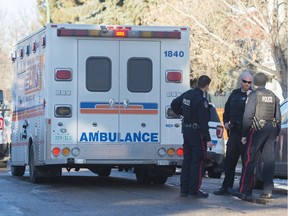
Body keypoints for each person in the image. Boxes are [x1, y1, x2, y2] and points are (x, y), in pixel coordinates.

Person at [237, 72, 281, 201]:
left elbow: (247, 116)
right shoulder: (273, 96)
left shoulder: (254, 95)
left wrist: (244, 134)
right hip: (271, 129)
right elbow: (278, 117)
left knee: (250, 160)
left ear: (255, 83)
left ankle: (246, 191)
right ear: (265, 82)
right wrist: (277, 133)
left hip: (257, 130)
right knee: (268, 161)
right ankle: (267, 191)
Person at [171, 75, 213, 198]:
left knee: (187, 160)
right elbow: (204, 123)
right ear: (206, 86)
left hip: (187, 131)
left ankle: (184, 189)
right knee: (198, 161)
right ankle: (194, 189)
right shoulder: (201, 100)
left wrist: (182, 113)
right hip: (197, 134)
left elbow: (174, 104)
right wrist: (208, 139)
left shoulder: (188, 94)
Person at [213, 71, 253, 195]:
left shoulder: (253, 96)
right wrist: (225, 122)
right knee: (230, 161)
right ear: (240, 81)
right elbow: (227, 110)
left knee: (246, 162)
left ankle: (243, 189)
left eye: (249, 82)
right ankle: (226, 186)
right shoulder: (234, 94)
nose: (246, 84)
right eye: (245, 81)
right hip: (234, 131)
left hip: (246, 132)